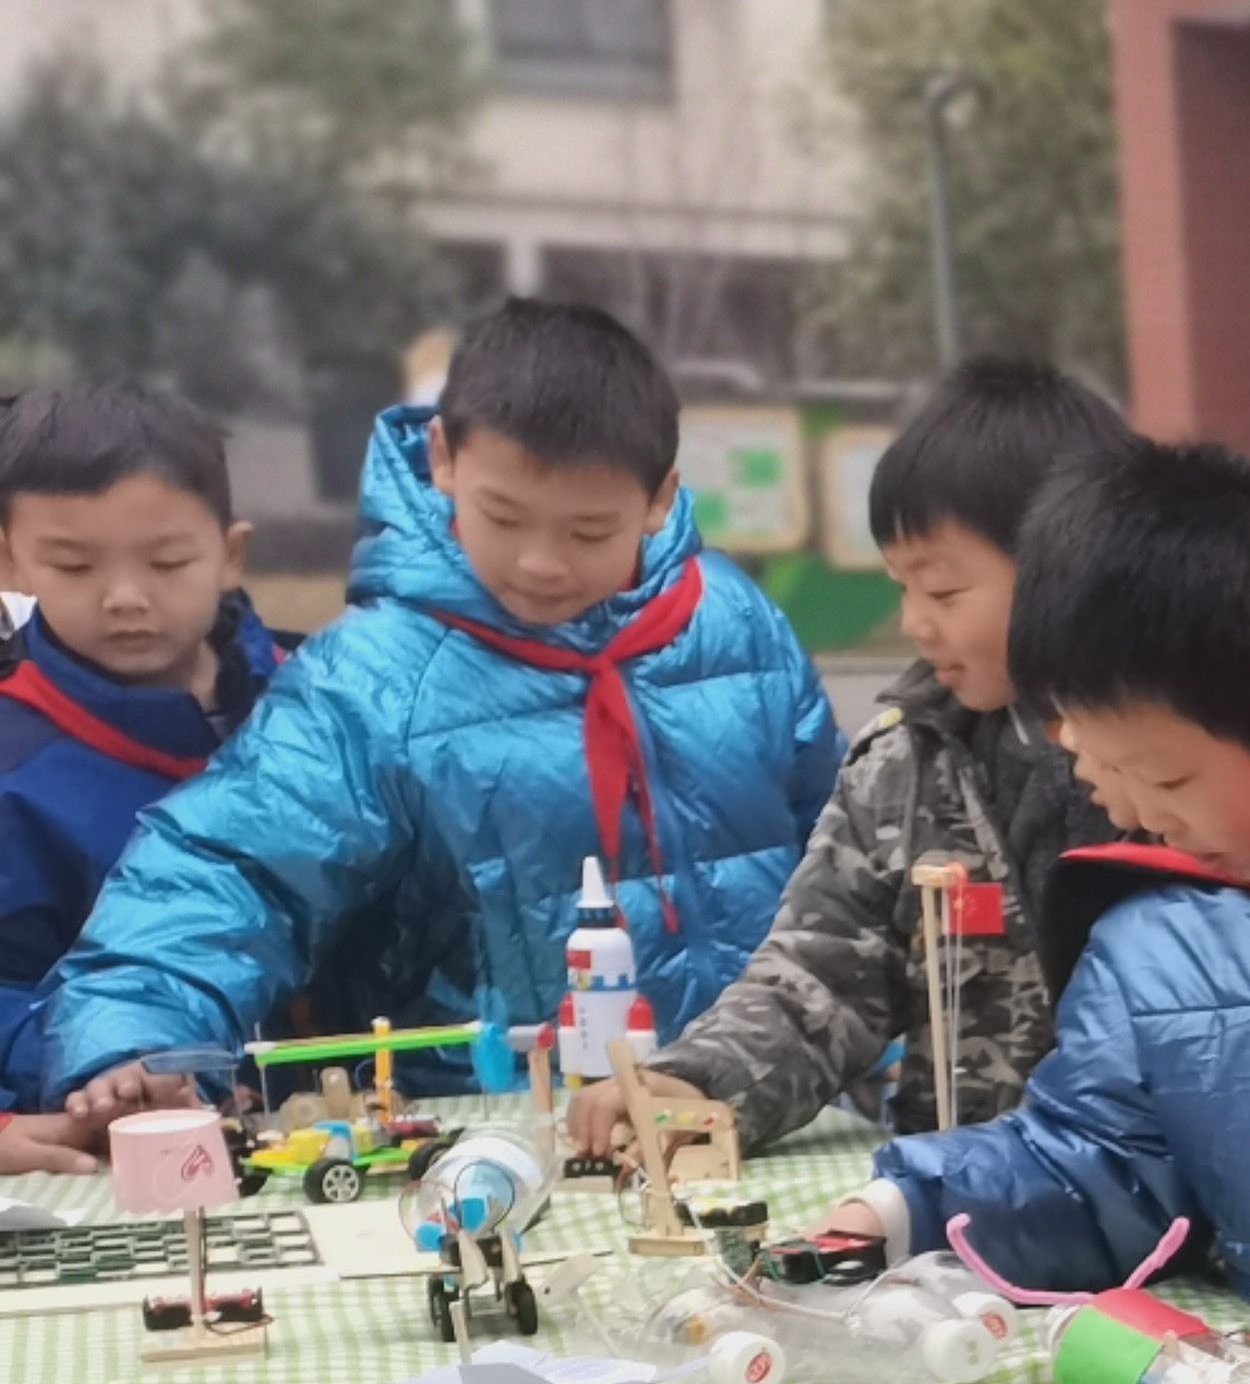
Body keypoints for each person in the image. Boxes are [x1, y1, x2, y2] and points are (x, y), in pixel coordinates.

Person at [38, 297, 838, 1101]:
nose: (540, 563)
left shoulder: (733, 623)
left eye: (589, 532)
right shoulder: (373, 678)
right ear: (445, 456)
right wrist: (133, 1042)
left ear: (659, 497)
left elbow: (839, 858)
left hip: (754, 1111)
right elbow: (231, 869)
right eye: (503, 516)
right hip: (503, 1132)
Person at [814, 438, 1250, 1354]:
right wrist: (905, 1207)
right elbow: (1101, 1162)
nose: (1131, 811)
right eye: (1101, 773)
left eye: (1164, 778)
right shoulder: (1158, 939)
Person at [576, 355, 1122, 1161]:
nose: (914, 624)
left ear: (1064, 569)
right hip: (963, 1201)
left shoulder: (1170, 764)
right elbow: (819, 976)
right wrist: (694, 1081)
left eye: (941, 593)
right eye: (901, 590)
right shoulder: (907, 763)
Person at [0, 384, 282, 1110]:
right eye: (73, 565)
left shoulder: (322, 700)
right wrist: (102, 1066)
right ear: (11, 562)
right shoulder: (14, 763)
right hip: (131, 1127)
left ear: (230, 553)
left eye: (165, 563)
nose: (124, 596)